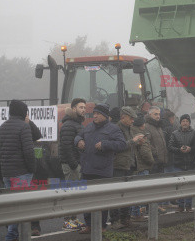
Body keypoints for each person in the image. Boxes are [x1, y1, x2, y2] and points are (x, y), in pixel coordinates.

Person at [74, 103, 127, 234]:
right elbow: (78, 135)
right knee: (86, 199)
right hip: (86, 169)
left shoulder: (113, 129)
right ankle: (89, 225)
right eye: (94, 113)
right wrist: (78, 140)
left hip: (103, 171)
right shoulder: (89, 126)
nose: (95, 115)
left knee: (102, 200)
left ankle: (102, 226)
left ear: (105, 115)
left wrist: (105, 144)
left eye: (98, 114)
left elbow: (122, 144)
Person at [0, 100, 36, 241]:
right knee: (21, 207)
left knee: (12, 206)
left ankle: (15, 235)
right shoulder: (24, 127)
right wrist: (32, 169)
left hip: (7, 173)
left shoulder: (2, 127)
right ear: (23, 112)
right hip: (21, 173)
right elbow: (29, 152)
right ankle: (11, 236)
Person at [110, 106, 145, 229]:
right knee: (116, 194)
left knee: (127, 194)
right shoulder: (115, 129)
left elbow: (129, 145)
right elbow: (117, 146)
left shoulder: (129, 128)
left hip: (129, 164)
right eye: (131, 118)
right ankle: (114, 221)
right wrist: (133, 141)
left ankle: (125, 219)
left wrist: (137, 143)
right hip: (119, 165)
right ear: (123, 117)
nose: (133, 121)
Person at [59, 98, 86, 231]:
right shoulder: (69, 124)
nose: (83, 110)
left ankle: (73, 218)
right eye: (81, 107)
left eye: (84, 107)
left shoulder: (78, 123)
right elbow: (66, 147)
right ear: (74, 108)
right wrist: (74, 165)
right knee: (70, 191)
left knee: (75, 192)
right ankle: (67, 221)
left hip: (76, 162)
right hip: (71, 165)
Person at [168, 114, 195, 212]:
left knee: (189, 186)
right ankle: (180, 206)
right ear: (180, 123)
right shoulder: (175, 133)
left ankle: (188, 206)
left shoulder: (194, 133)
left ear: (189, 123)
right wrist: (179, 150)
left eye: (187, 121)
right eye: (183, 121)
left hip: (190, 163)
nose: (185, 123)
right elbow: (170, 147)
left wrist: (190, 149)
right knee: (179, 186)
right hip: (178, 164)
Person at [130, 114, 155, 221]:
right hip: (142, 167)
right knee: (139, 192)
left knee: (134, 191)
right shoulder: (141, 135)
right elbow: (145, 153)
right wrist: (152, 161)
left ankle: (133, 212)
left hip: (133, 167)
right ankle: (136, 214)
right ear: (142, 125)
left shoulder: (131, 132)